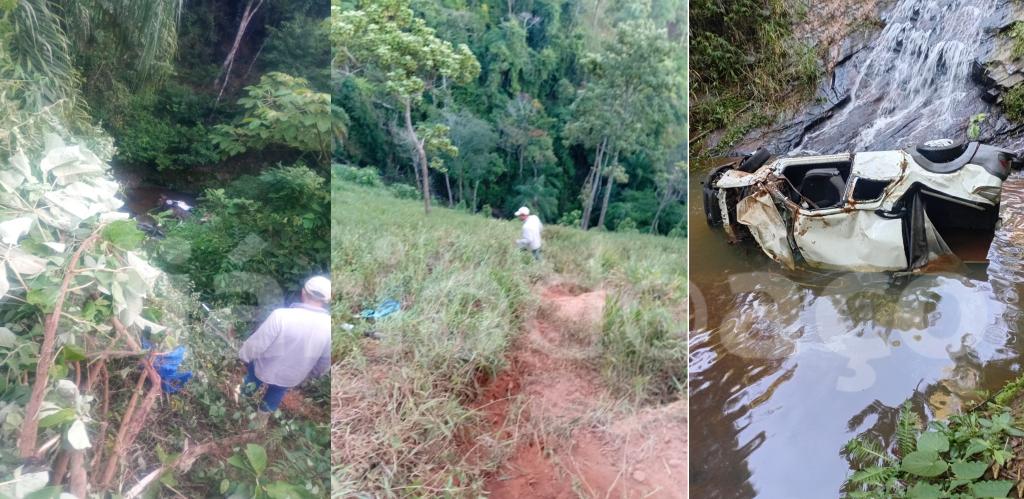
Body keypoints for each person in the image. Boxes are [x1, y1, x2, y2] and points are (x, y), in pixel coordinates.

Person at [237, 276, 331, 424]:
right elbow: (325, 361)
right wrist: (313, 374)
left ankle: (240, 405)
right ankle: (260, 422)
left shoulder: (281, 316)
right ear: (326, 301)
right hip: (293, 374)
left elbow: (258, 344)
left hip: (264, 367)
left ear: (303, 293)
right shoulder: (329, 327)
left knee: (252, 380)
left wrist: (244, 356)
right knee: (277, 391)